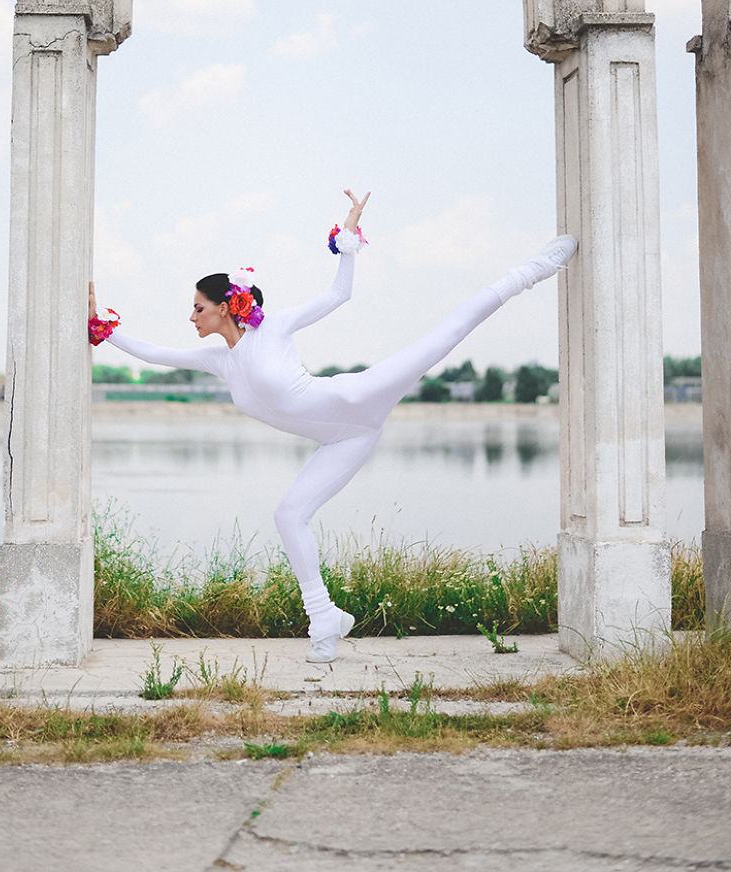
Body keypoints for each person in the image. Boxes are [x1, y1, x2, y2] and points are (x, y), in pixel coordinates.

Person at [89, 190, 576, 663]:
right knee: (288, 515)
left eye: (198, 306)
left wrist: (347, 237)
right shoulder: (222, 362)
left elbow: (339, 294)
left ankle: (535, 269)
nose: (191, 316)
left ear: (224, 306)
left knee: (448, 331)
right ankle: (324, 618)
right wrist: (103, 328)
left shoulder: (272, 327)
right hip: (346, 438)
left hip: (360, 395)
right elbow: (156, 355)